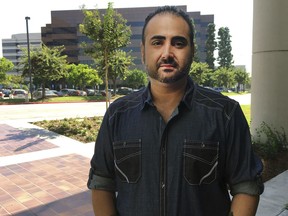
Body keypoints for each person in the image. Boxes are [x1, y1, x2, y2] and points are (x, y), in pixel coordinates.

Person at [87, 6, 264, 216]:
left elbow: (246, 186)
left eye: (178, 43)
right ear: (143, 51)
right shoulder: (117, 115)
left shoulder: (225, 114)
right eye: (157, 42)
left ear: (192, 51)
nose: (167, 53)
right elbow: (102, 183)